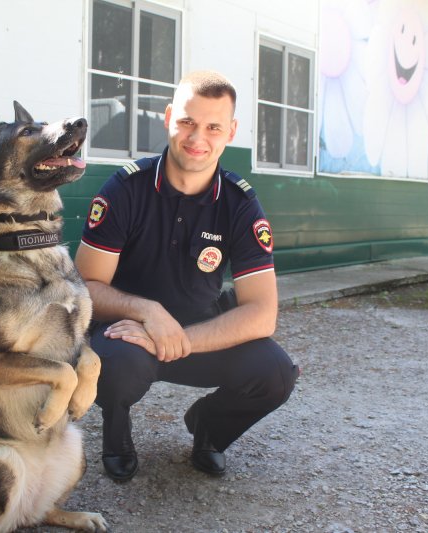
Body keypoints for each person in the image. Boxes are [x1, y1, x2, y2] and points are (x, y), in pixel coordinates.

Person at [75, 70, 299, 481]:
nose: (198, 138)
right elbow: (84, 288)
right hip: (129, 335)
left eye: (213, 127)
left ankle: (209, 428)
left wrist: (179, 337)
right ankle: (116, 432)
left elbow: (262, 314)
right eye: (187, 122)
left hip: (199, 334)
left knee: (276, 374)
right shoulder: (126, 189)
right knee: (114, 366)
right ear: (168, 118)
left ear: (230, 132)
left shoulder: (240, 205)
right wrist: (148, 312)